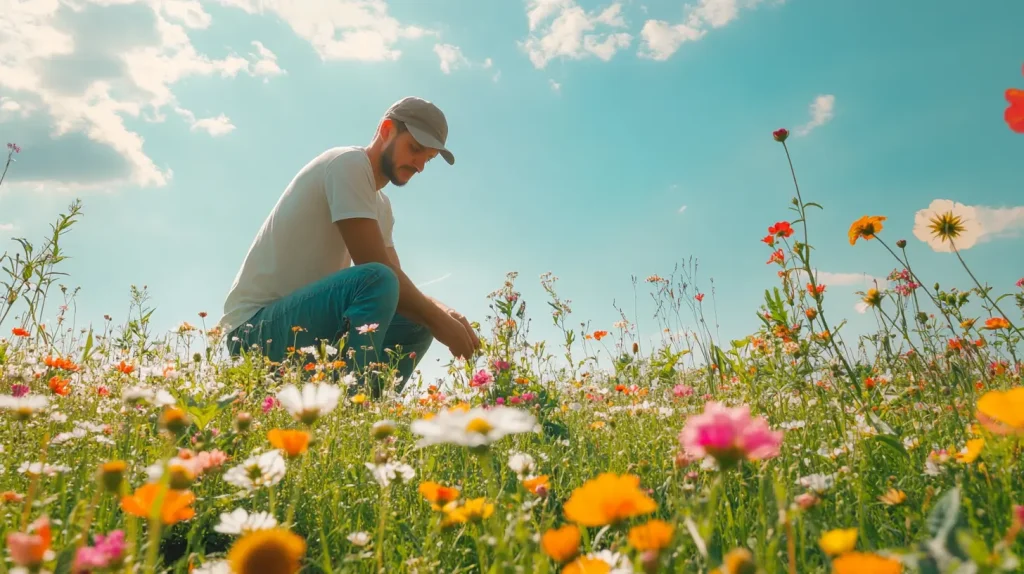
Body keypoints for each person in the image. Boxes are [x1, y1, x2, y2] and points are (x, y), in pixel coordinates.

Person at [218, 96, 481, 394]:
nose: (420, 165)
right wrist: (441, 323)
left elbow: (396, 280)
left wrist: (444, 314)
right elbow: (378, 269)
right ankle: (352, 404)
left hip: (306, 328)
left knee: (416, 320)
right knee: (378, 280)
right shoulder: (348, 164)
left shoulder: (381, 206)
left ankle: (364, 416)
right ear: (387, 130)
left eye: (428, 158)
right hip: (255, 332)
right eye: (416, 149)